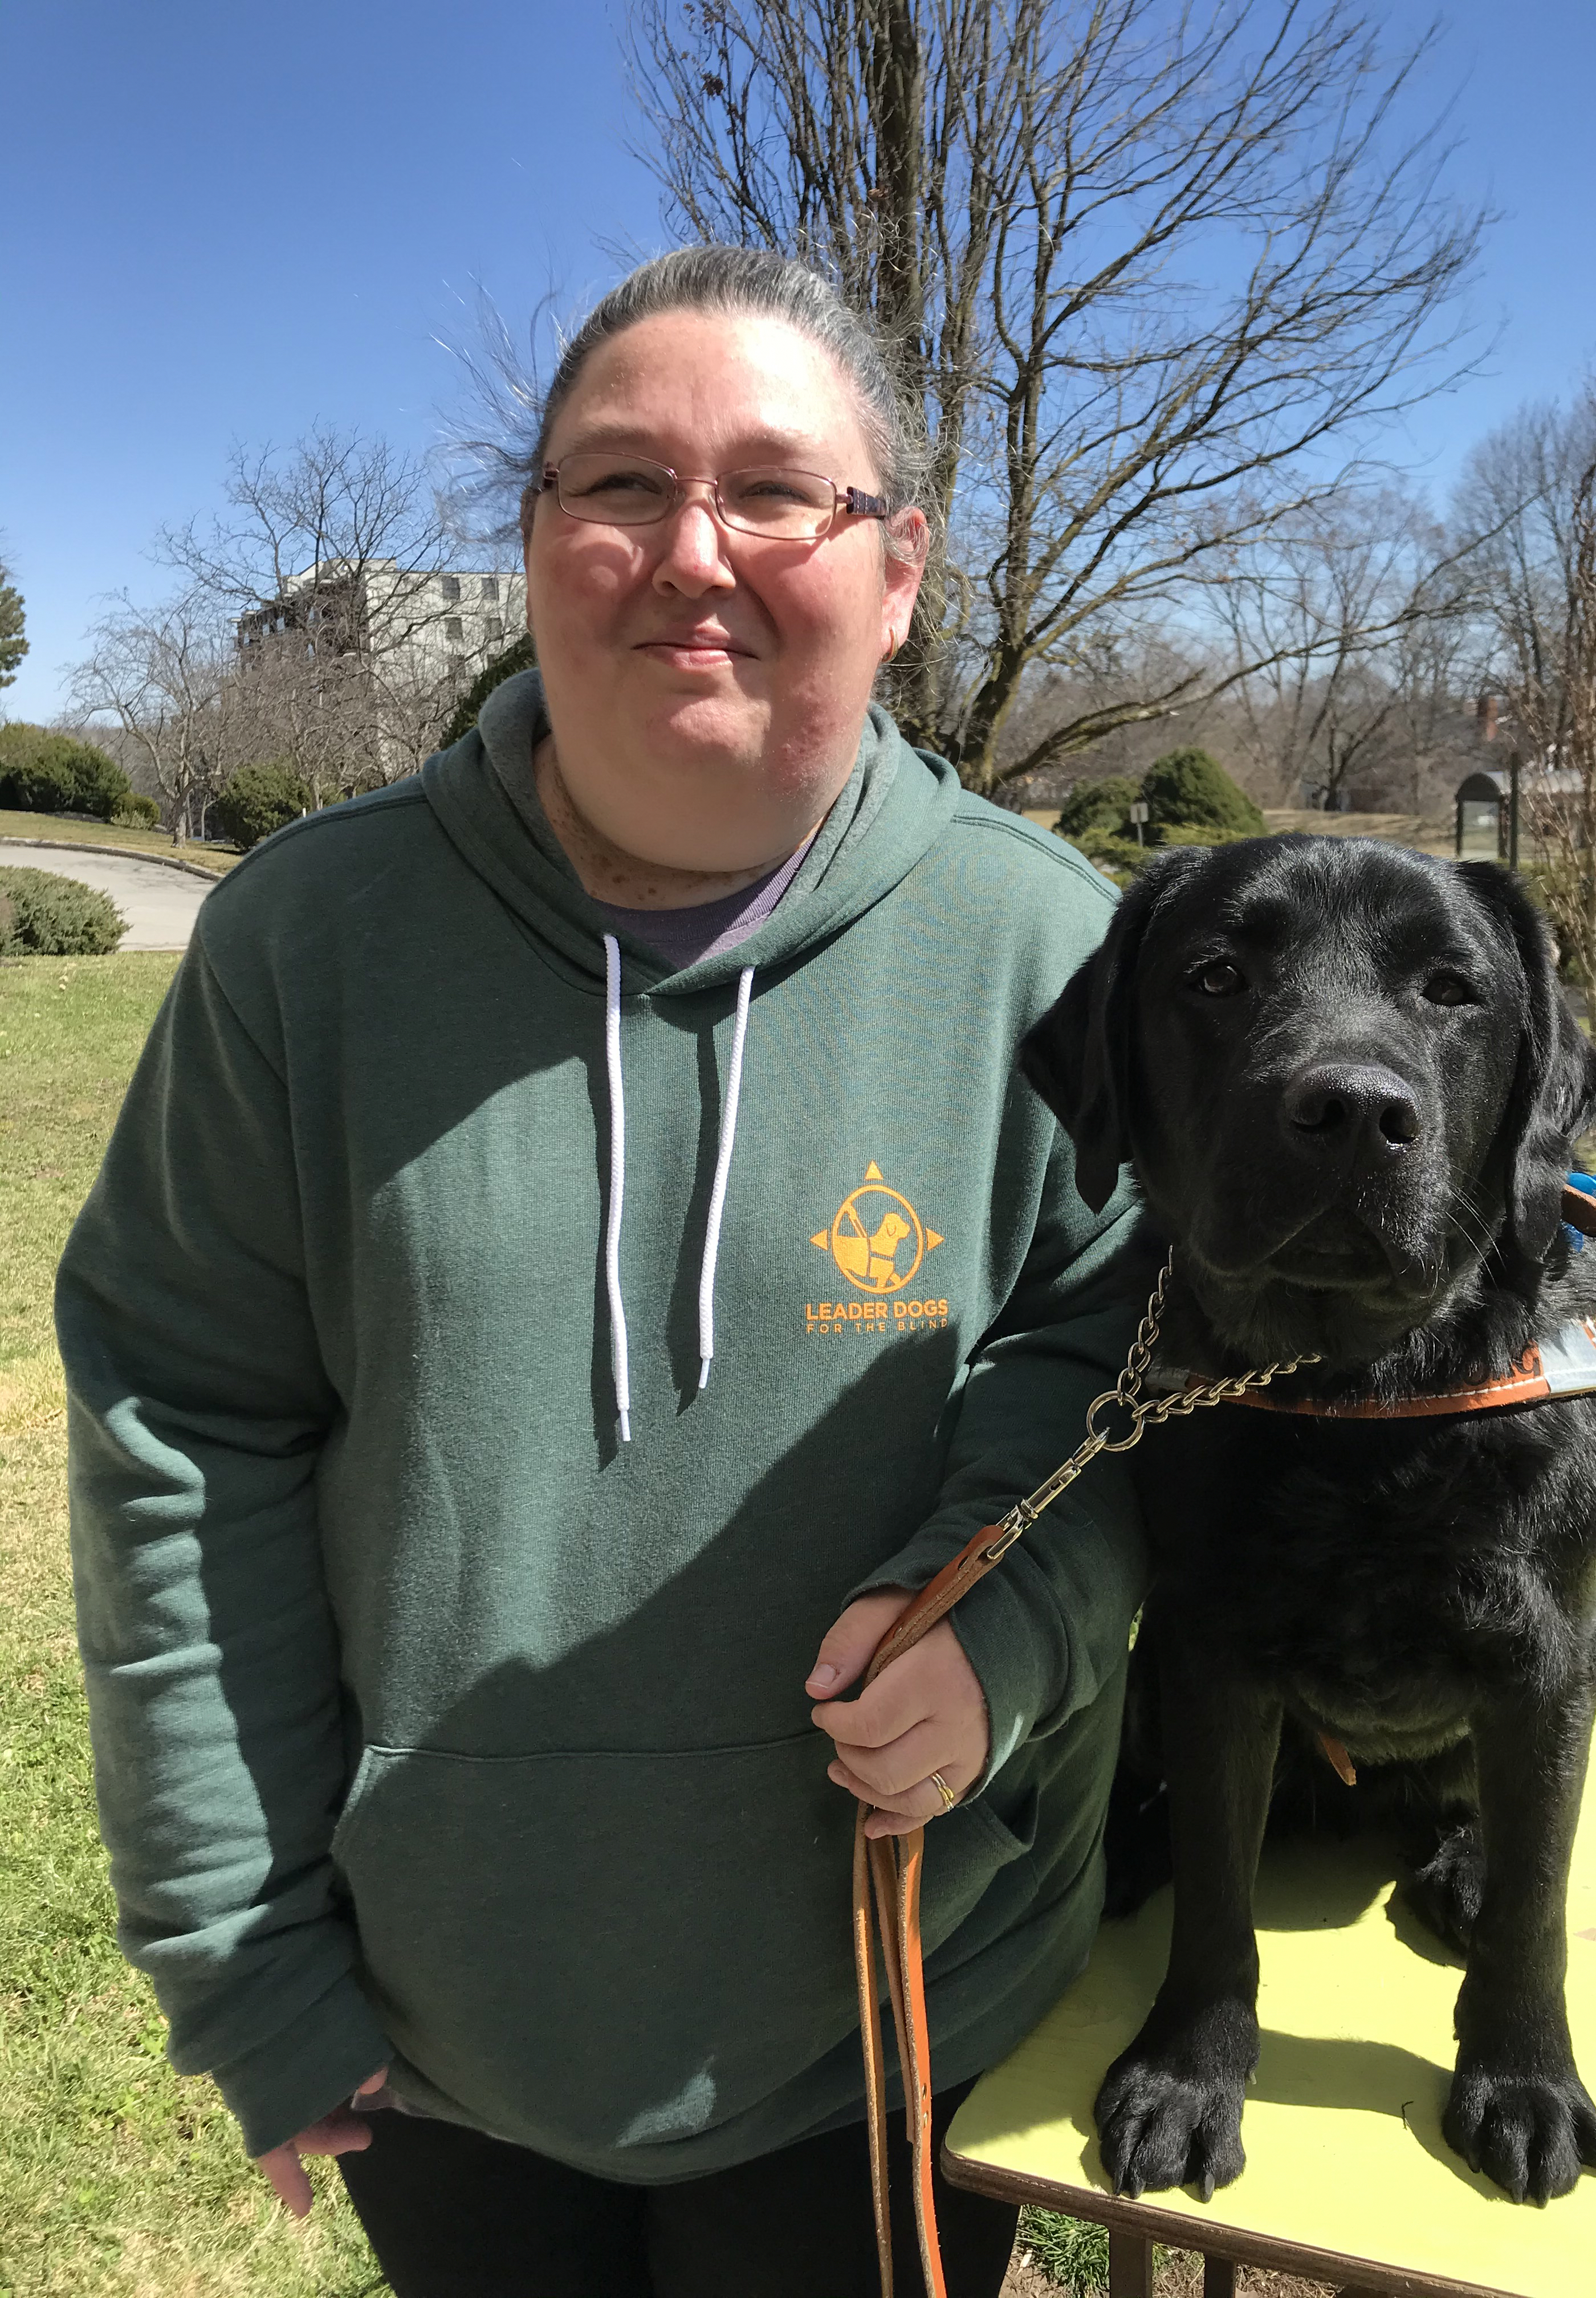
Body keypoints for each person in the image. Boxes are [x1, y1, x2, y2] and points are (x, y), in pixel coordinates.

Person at [59, 247, 1146, 2298]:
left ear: (898, 567)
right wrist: (240, 1960)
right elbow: (179, 1432)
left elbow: (1131, 1382)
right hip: (441, 2035)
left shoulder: (1057, 957)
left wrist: (1007, 1648)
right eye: (618, 487)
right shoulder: (310, 947)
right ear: (539, 540)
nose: (690, 553)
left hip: (898, 2021)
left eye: (772, 490)